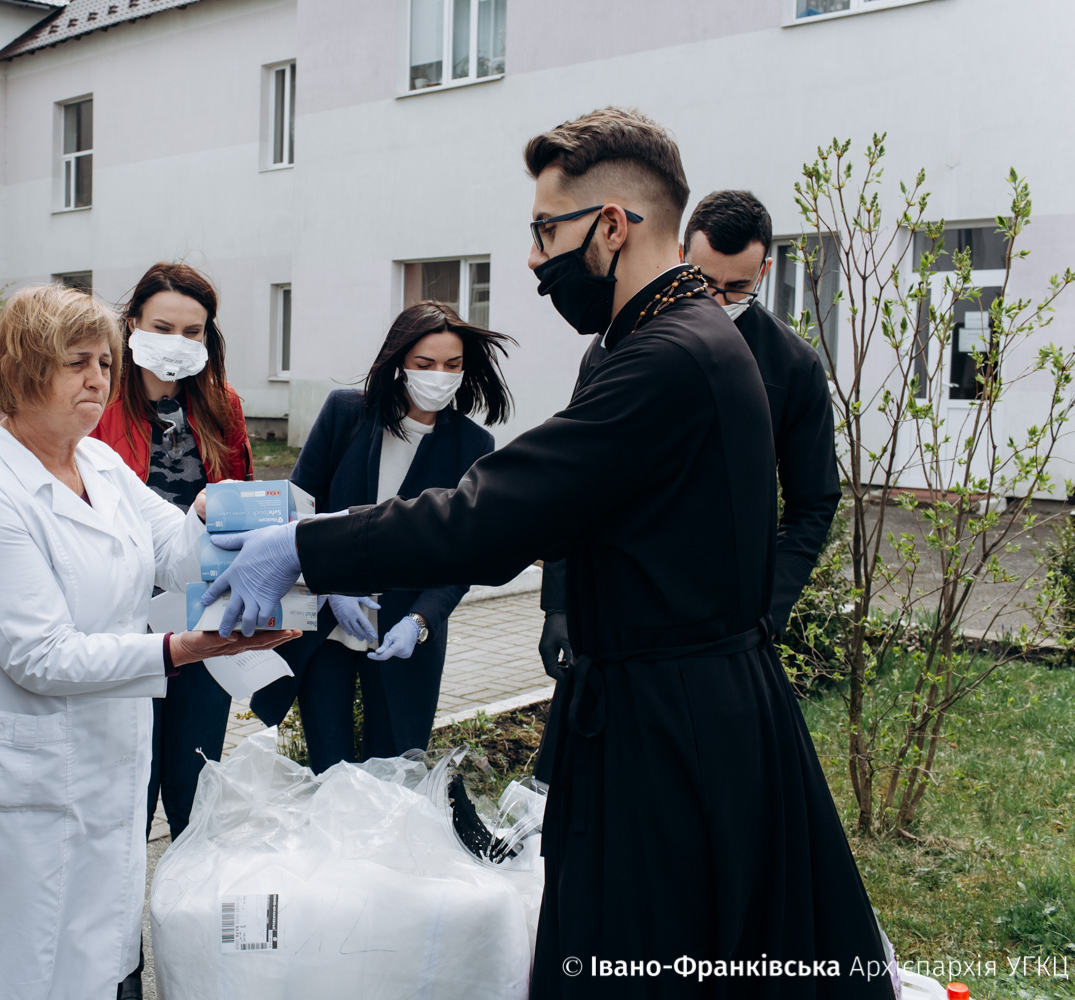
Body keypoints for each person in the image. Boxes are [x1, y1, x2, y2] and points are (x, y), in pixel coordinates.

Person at [199, 109, 893, 998]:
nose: (533, 262)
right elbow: (568, 510)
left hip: (670, 726)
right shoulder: (670, 340)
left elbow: (493, 513)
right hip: (671, 697)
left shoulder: (669, 358)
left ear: (612, 226)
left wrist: (303, 544)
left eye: (544, 233)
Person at [0, 284, 295, 1000]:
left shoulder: (98, 465)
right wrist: (180, 651)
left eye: (105, 364)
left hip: (101, 769)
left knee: (100, 966)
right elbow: (39, 656)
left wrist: (212, 518)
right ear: (24, 371)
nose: (98, 379)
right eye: (77, 363)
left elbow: (172, 556)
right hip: (21, 789)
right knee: (20, 976)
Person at [539, 190, 841, 679]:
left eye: (737, 288)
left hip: (724, 630)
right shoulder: (622, 342)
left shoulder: (794, 366)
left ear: (764, 272)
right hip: (619, 613)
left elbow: (814, 502)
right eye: (705, 281)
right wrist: (559, 604)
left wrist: (770, 608)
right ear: (681, 255)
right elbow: (572, 480)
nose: (717, 301)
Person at [250, 301, 514, 769]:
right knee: (329, 769)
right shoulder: (346, 413)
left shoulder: (473, 445)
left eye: (452, 365)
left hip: (402, 629)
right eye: (424, 364)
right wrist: (331, 585)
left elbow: (462, 556)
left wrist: (419, 622)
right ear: (399, 363)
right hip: (328, 622)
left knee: (392, 773)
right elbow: (299, 507)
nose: (439, 376)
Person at [89, 261, 254, 841]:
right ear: (132, 323)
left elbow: (240, 505)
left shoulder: (221, 406)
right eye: (162, 328)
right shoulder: (99, 404)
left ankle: (189, 896)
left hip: (202, 612)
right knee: (128, 793)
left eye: (192, 332)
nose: (177, 343)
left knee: (195, 785)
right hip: (123, 619)